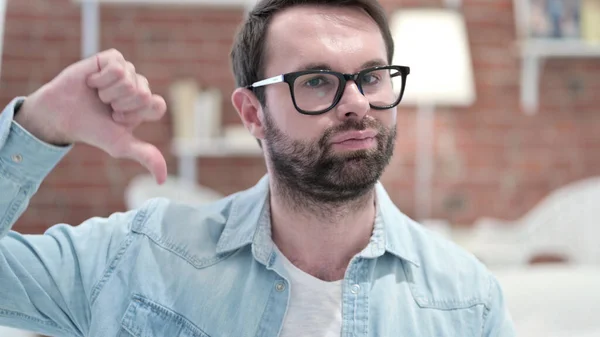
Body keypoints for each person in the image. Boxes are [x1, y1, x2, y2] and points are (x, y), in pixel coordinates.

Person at [0, 0, 515, 336]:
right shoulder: (143, 254)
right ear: (252, 114)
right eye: (316, 81)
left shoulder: (465, 300)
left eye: (373, 77)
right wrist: (39, 127)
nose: (357, 102)